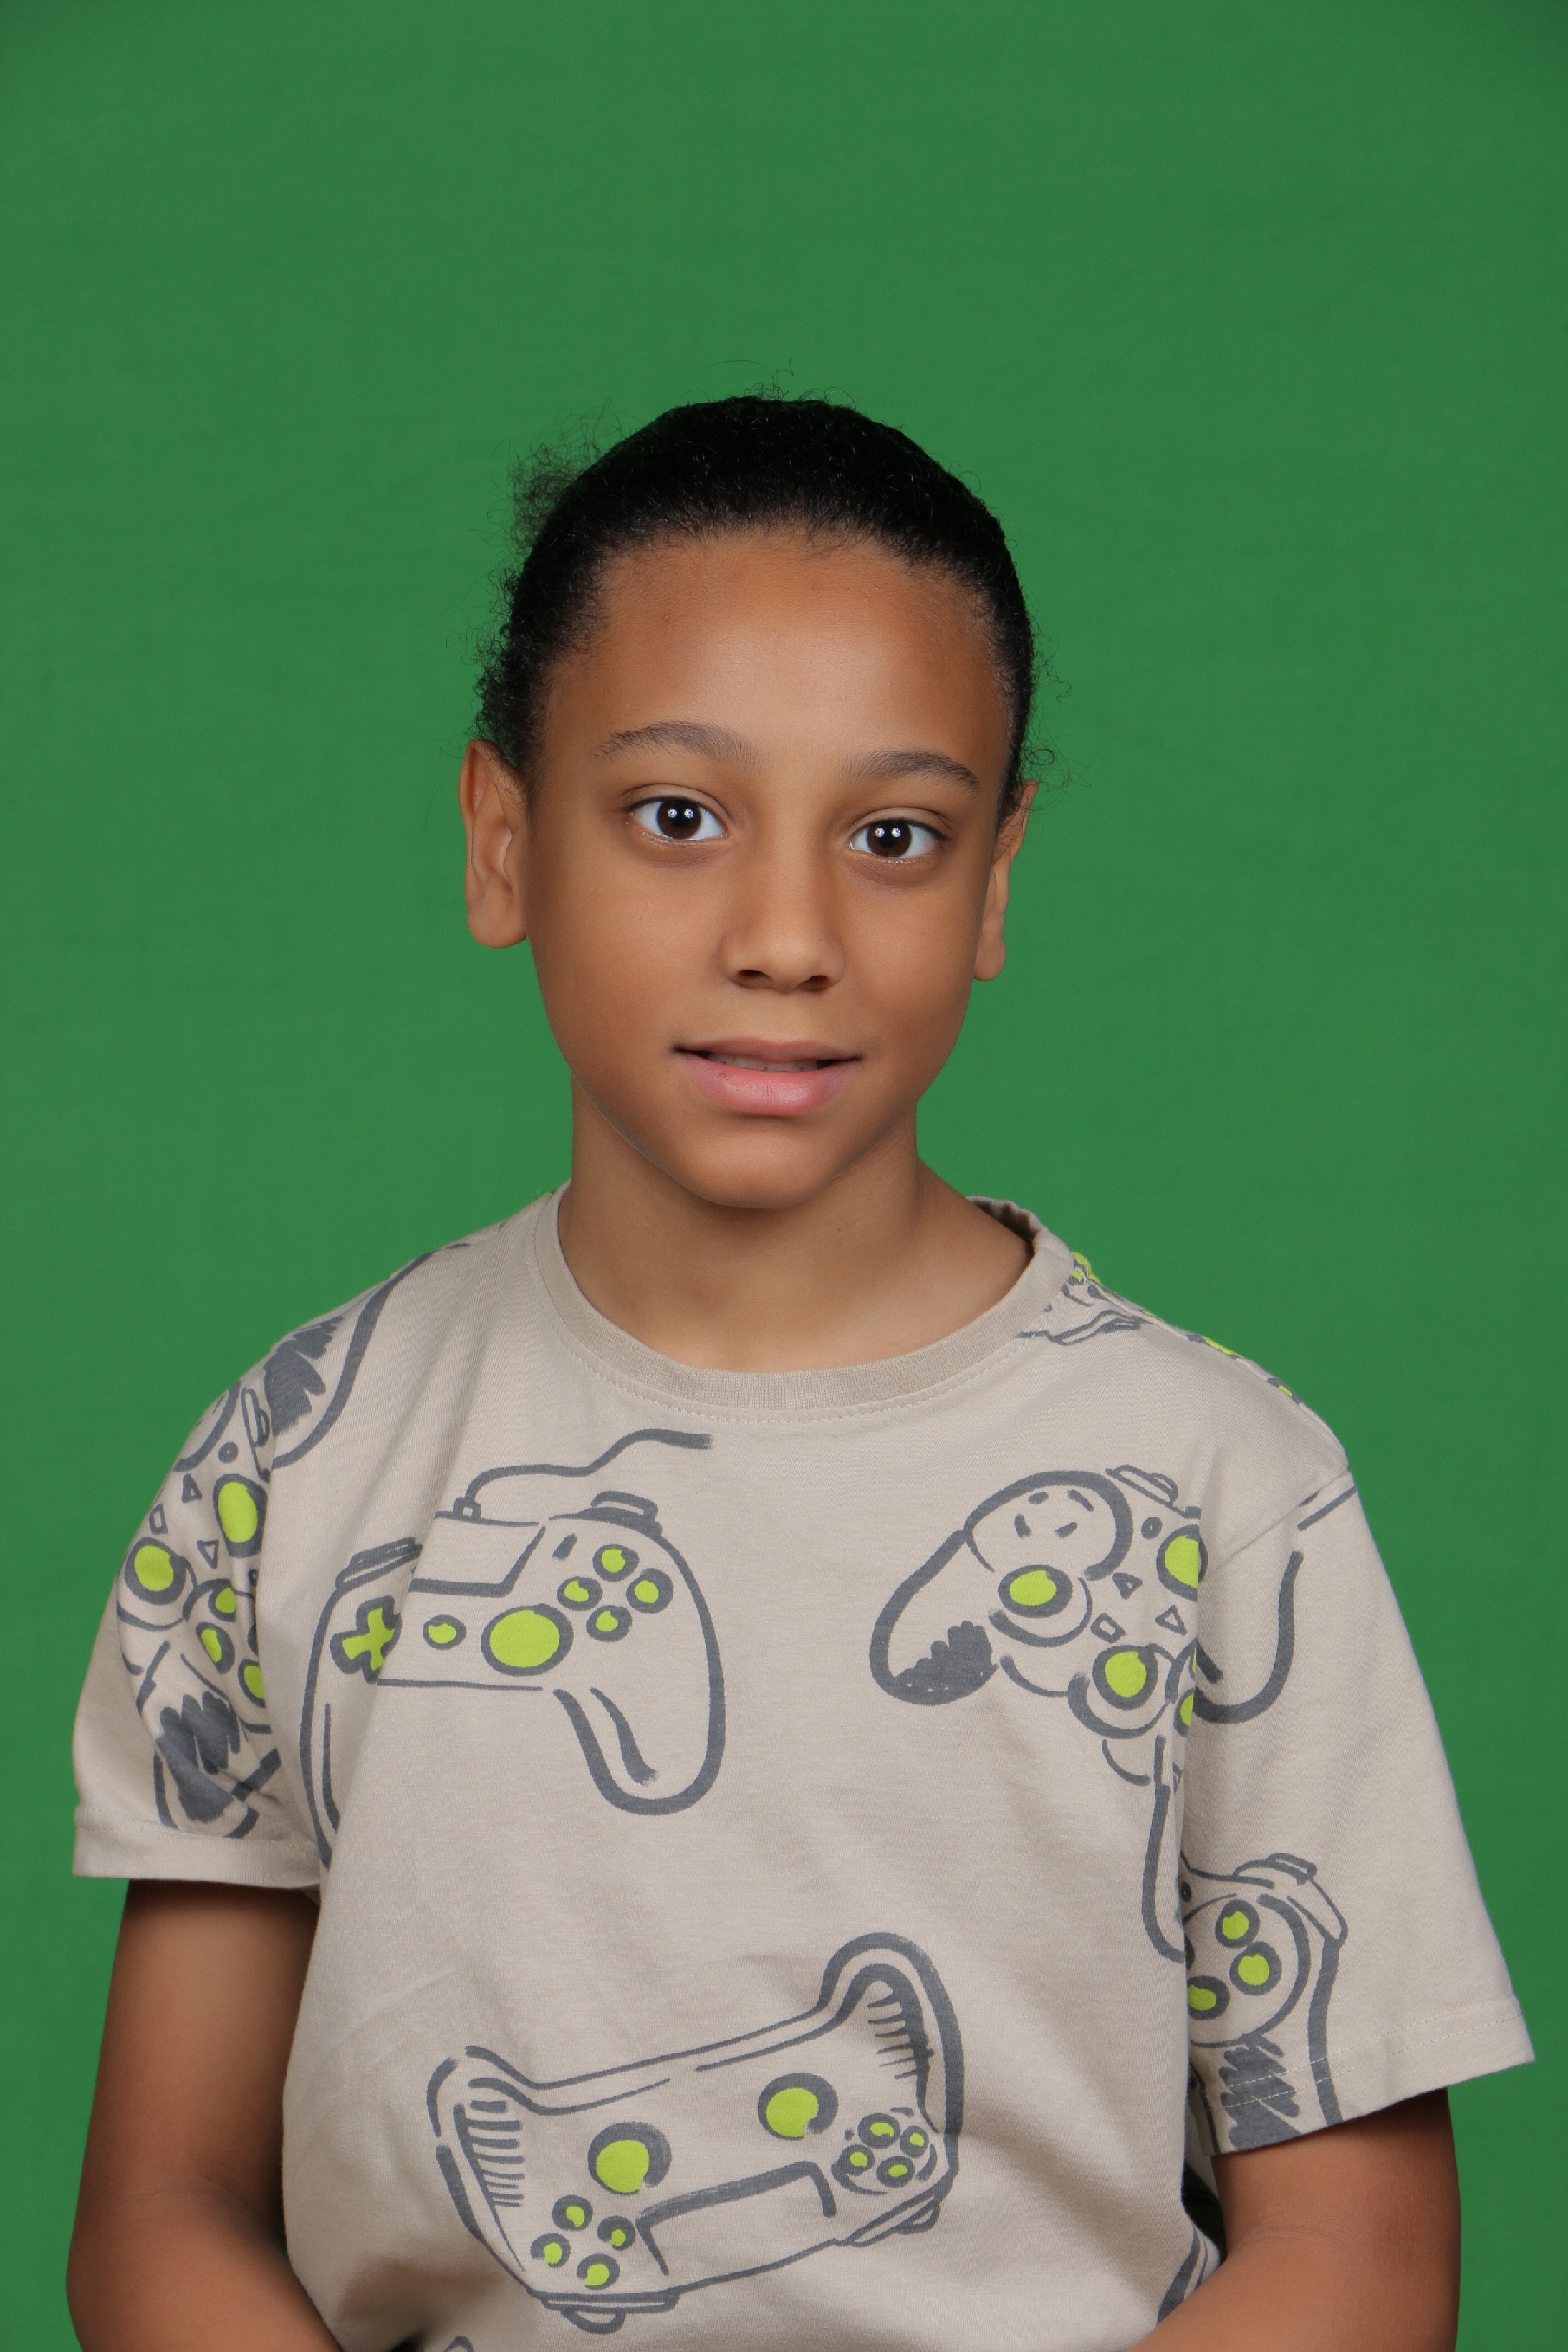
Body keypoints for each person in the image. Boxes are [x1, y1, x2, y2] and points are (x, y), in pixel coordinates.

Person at [67, 395, 1529, 2352]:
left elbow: (1360, 2258)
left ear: (995, 884)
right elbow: (162, 2208)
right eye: (678, 816)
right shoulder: (294, 1456)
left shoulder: (1219, 1486)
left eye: (894, 836)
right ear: (503, 838)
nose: (786, 936)